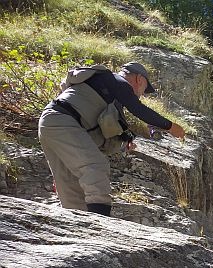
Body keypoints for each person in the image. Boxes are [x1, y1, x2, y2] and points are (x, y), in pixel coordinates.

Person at [38, 62, 186, 216]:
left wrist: (123, 143)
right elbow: (139, 109)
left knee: (71, 188)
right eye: (143, 90)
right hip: (64, 121)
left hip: (50, 123)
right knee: (96, 167)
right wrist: (172, 127)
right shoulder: (117, 81)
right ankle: (103, 228)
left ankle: (78, 232)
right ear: (139, 80)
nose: (141, 94)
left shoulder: (103, 89)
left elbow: (102, 131)